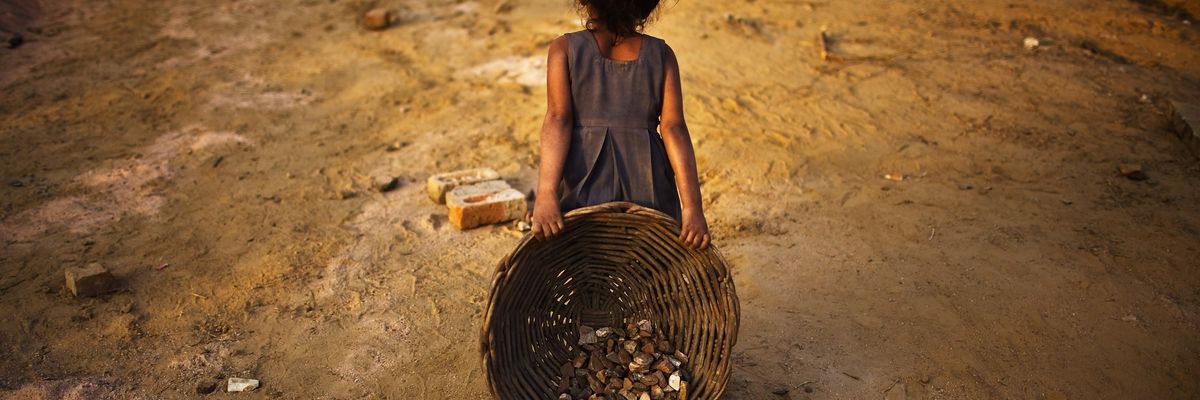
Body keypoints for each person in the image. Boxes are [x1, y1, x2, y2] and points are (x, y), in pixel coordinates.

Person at [529, 0, 710, 250]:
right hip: (648, 191)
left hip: (584, 190)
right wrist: (692, 207)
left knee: (584, 253)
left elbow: (558, 119)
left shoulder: (564, 48)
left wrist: (546, 194)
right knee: (649, 255)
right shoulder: (662, 55)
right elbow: (673, 128)